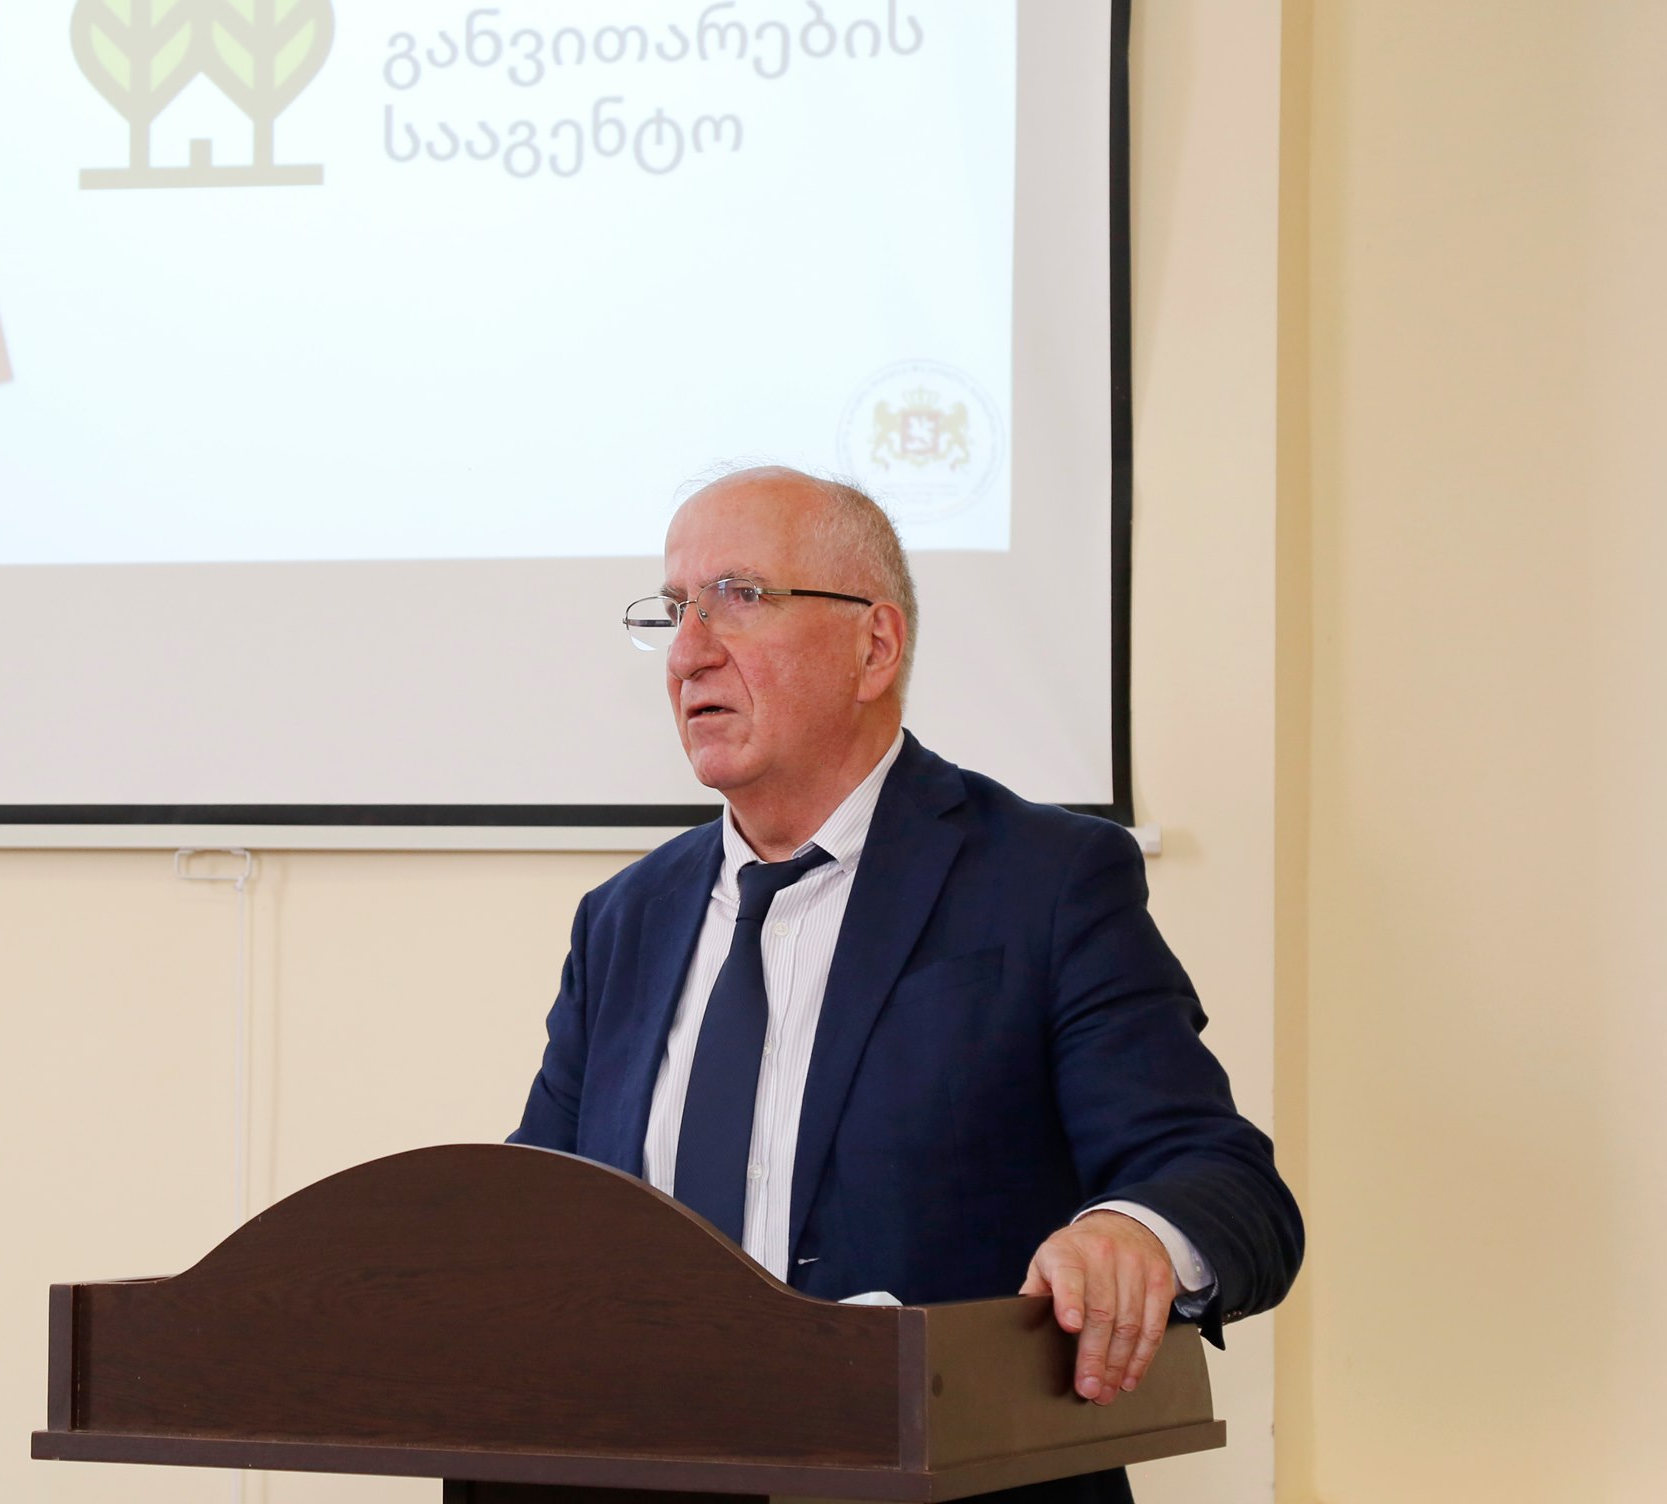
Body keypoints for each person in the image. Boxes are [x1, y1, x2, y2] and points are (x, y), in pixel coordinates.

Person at [508, 466, 1301, 1504]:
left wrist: (1132, 1234)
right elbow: (536, 1219)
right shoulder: (624, 920)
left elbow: (1222, 1180)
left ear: (873, 646)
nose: (689, 650)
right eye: (673, 609)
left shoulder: (1045, 882)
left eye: (737, 597)